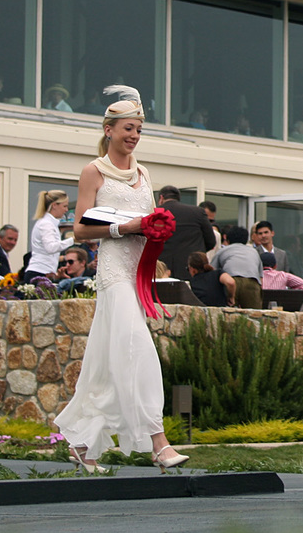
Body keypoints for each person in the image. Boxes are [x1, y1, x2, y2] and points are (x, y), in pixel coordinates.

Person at [54, 84, 187, 474]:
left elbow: (145, 222)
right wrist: (123, 228)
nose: (133, 136)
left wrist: (152, 232)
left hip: (138, 272)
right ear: (109, 129)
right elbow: (78, 229)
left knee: (111, 363)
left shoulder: (144, 173)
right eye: (128, 128)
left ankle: (82, 441)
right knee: (138, 352)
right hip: (112, 272)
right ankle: (158, 442)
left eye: (138, 130)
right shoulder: (93, 171)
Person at [155, 186, 216, 281]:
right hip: (190, 269)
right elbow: (211, 241)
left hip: (162, 269)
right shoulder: (197, 212)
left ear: (161, 198)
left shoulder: (154, 213)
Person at [24, 190, 74, 284]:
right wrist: (73, 240)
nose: (66, 210)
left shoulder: (49, 223)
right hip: (38, 273)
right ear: (54, 205)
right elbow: (51, 247)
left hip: (43, 272)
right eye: (64, 206)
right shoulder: (46, 224)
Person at [217, 226, 263, 309]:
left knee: (229, 314)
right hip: (252, 281)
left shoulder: (222, 251)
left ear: (227, 239)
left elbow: (212, 271)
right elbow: (261, 277)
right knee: (255, 314)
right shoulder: (254, 252)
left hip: (231, 281)